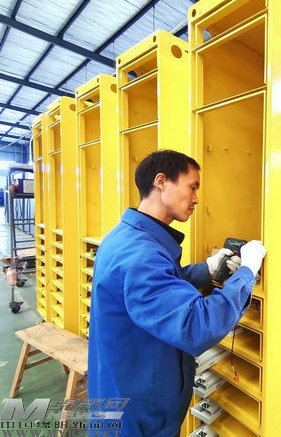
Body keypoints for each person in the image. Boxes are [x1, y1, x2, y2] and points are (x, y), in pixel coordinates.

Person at [87, 149, 266, 436]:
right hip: (139, 417)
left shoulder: (126, 238)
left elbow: (156, 288)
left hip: (120, 393)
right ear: (162, 182)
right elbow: (196, 325)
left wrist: (208, 269)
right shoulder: (142, 253)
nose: (196, 199)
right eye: (192, 187)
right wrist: (247, 271)